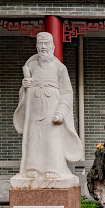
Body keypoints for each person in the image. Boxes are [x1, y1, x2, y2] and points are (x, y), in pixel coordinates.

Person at [13, 32, 83, 179]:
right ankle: (32, 168)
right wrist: (24, 87)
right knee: (34, 138)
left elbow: (67, 92)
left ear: (53, 46)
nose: (43, 47)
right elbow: (25, 89)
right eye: (40, 43)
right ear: (37, 46)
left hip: (52, 108)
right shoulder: (31, 66)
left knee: (52, 139)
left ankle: (54, 168)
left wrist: (61, 112)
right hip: (34, 108)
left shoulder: (60, 68)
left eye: (47, 44)